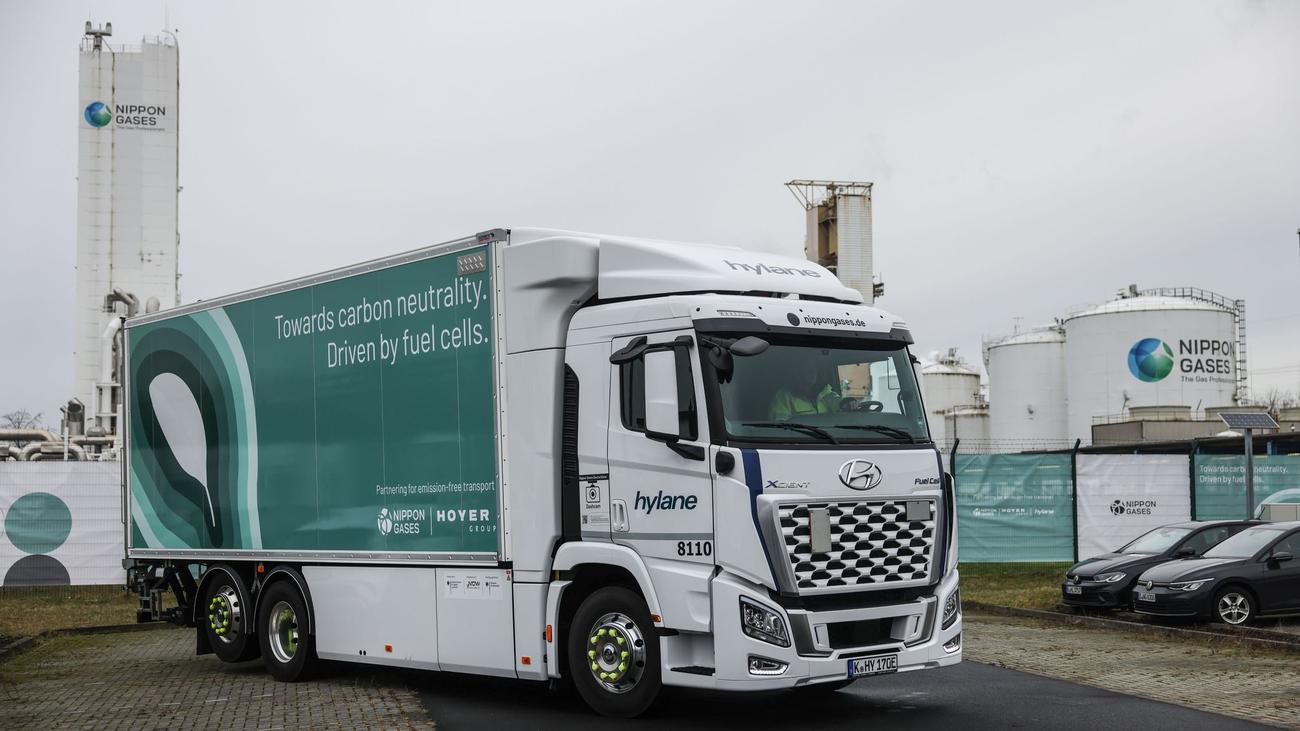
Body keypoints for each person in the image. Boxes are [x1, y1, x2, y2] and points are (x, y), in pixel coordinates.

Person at [768, 367, 842, 421]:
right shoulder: (784, 396)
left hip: (828, 437)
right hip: (800, 440)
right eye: (809, 369)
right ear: (798, 372)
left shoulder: (824, 390)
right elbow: (780, 426)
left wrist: (847, 403)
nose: (814, 372)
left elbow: (837, 402)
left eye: (815, 368)